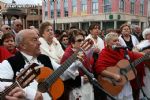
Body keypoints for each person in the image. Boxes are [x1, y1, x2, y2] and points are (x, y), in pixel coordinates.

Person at [95, 32, 146, 100]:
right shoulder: (104, 53)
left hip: (125, 84)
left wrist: (145, 55)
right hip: (113, 85)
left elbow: (135, 55)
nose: (117, 42)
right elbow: (99, 69)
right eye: (114, 41)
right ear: (107, 42)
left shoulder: (122, 51)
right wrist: (114, 76)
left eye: (118, 40)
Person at [58, 29, 94, 100]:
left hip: (86, 87)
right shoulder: (67, 55)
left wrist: (89, 75)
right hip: (74, 90)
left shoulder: (82, 51)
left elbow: (88, 68)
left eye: (83, 39)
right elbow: (64, 77)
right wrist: (82, 79)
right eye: (79, 40)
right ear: (72, 43)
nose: (83, 42)